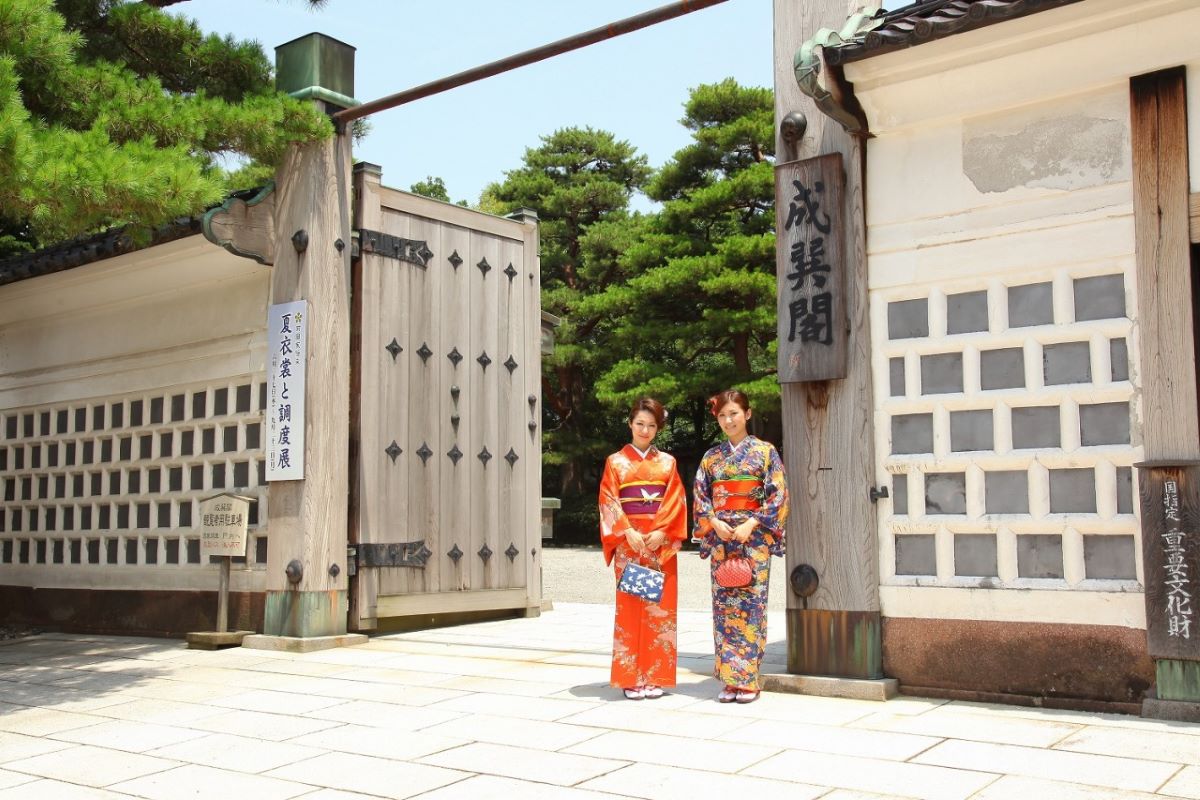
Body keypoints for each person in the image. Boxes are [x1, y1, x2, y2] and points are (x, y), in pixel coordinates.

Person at [693, 389, 790, 704]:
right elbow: (701, 496)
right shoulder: (712, 457)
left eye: (733, 413)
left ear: (747, 414)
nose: (728, 420)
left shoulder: (764, 452)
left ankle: (748, 680)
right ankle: (728, 679)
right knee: (723, 607)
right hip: (722, 540)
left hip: (753, 539)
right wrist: (713, 521)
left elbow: (778, 494)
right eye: (722, 415)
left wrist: (753, 522)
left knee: (751, 606)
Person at [598, 397, 687, 700]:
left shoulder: (668, 463)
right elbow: (608, 500)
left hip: (659, 546)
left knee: (660, 611)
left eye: (651, 425)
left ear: (657, 428)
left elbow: (676, 500)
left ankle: (655, 675)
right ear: (630, 424)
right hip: (629, 545)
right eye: (640, 424)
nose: (645, 430)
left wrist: (663, 530)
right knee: (631, 608)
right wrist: (627, 532)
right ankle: (630, 677)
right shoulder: (615, 462)